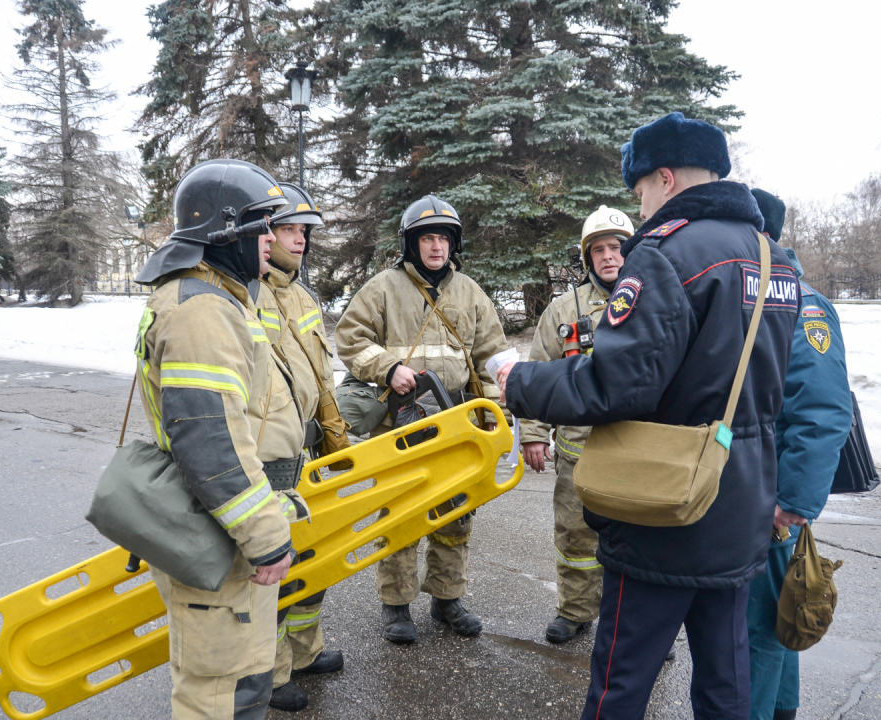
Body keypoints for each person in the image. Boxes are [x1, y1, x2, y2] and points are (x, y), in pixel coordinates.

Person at [496, 112, 801, 720]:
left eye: (639, 193)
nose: (639, 211)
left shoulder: (666, 254)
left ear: (664, 178)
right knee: (727, 681)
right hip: (739, 502)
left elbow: (615, 384)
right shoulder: (775, 260)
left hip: (665, 507)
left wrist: (519, 381)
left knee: (621, 680)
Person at [132, 159, 302, 720]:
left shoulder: (213, 298)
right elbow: (211, 443)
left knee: (243, 682)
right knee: (217, 696)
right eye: (265, 226)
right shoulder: (203, 311)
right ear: (228, 232)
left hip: (224, 529)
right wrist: (266, 535)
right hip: (220, 528)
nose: (273, 239)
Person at [334, 194, 508, 643]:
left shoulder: (469, 292)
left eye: (443, 238)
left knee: (456, 515)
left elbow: (491, 358)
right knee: (399, 515)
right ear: (411, 243)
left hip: (457, 424)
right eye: (427, 238)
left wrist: (493, 415)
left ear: (454, 245)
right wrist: (389, 368)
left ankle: (448, 599)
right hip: (400, 425)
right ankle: (396, 606)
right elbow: (351, 340)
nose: (436, 247)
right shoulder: (382, 288)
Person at [747, 189, 853, 720]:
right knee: (773, 617)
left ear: (759, 234)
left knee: (755, 625)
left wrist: (791, 501)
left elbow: (824, 411)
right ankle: (780, 710)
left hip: (771, 496)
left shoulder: (800, 303)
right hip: (764, 487)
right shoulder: (766, 294)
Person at [246, 182, 344, 712]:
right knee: (277, 567)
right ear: (266, 234)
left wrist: (334, 430)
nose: (300, 239)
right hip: (270, 458)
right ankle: (274, 671)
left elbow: (321, 375)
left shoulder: (302, 296)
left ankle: (306, 651)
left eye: (304, 231)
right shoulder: (247, 293)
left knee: (313, 554)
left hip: (308, 450)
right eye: (289, 229)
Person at [520, 206, 632, 644]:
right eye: (599, 249)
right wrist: (532, 433)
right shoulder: (565, 310)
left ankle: (637, 625)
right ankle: (575, 611)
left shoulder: (657, 297)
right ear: (588, 258)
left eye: (617, 247)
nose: (609, 257)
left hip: (637, 451)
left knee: (636, 543)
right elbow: (538, 373)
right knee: (575, 534)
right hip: (578, 453)